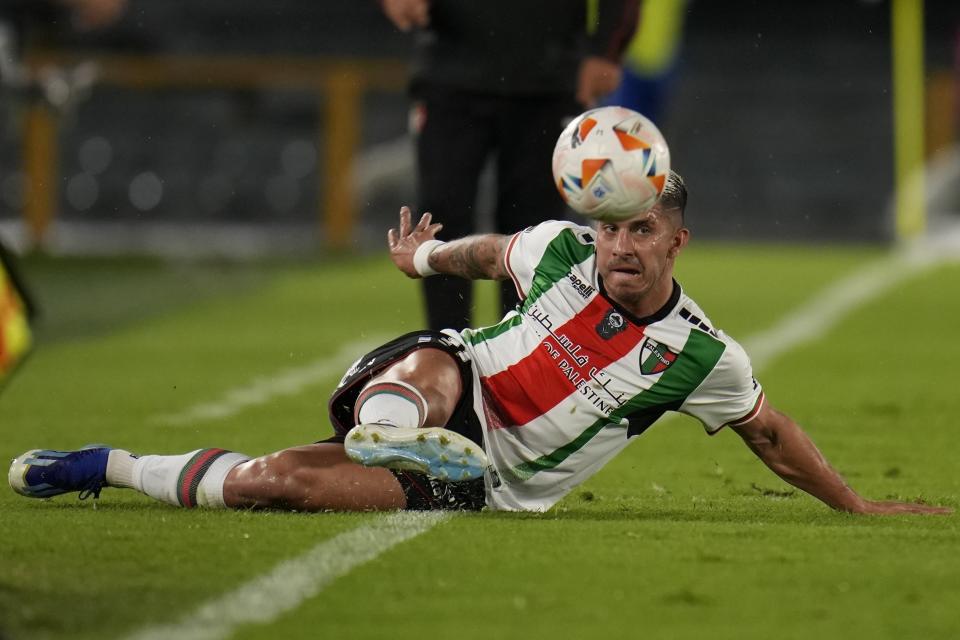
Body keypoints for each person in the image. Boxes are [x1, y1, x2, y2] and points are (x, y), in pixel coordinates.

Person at [8, 172, 951, 515]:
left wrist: (857, 506)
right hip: (459, 379)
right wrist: (425, 259)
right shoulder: (562, 251)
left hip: (490, 480)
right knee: (434, 364)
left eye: (641, 232)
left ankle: (113, 466)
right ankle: (396, 428)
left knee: (273, 483)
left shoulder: (705, 357)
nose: (619, 246)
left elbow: (770, 433)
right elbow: (494, 247)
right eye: (612, 227)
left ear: (676, 241)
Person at [380, 0, 639, 331]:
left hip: (549, 82)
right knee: (442, 215)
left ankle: (522, 352)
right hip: (451, 72)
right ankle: (445, 351)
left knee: (534, 229)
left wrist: (607, 51)